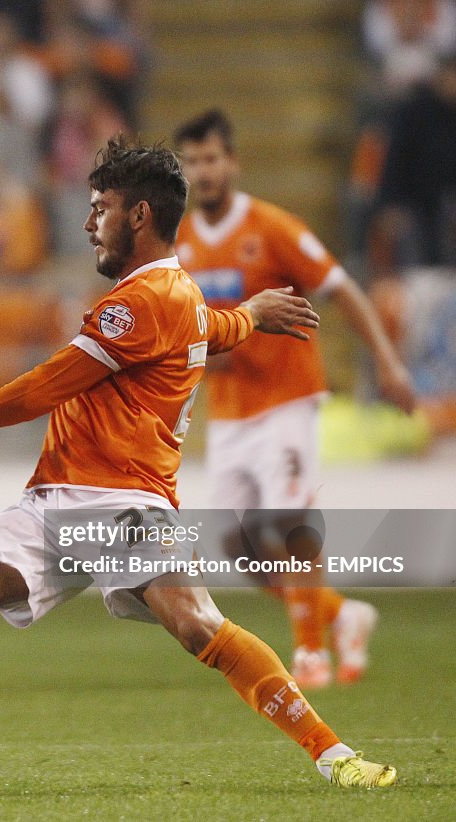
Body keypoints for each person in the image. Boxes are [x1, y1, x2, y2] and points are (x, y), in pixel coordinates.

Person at [0, 136, 397, 800]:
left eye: (100, 207)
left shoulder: (141, 303)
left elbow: (47, 386)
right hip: (54, 503)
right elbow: (217, 327)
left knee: (198, 626)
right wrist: (253, 313)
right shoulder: (181, 298)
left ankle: (334, 754)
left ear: (138, 215)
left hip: (128, 505)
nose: (87, 223)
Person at [173, 110, 416, 689]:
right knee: (237, 545)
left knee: (291, 520)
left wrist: (386, 361)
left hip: (287, 399)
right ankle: (339, 613)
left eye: (211, 159)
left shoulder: (273, 227)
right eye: (192, 163)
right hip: (230, 411)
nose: (204, 172)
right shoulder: (179, 245)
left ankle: (310, 653)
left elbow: (342, 289)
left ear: (231, 162)